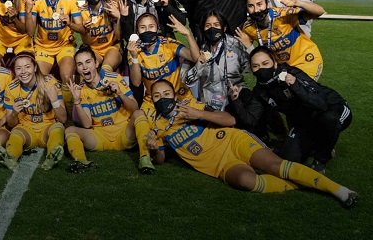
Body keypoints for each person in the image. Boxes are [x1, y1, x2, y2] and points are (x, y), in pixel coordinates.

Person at [147, 79, 358, 208]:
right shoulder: (157, 126)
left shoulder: (190, 105)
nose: (163, 98)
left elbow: (230, 121)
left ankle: (339, 190)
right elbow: (160, 159)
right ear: (153, 100)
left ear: (174, 94)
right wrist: (154, 149)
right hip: (220, 165)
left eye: (166, 94)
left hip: (233, 141)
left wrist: (198, 113)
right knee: (247, 181)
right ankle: (301, 181)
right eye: (157, 96)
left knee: (276, 166)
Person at [248, 47, 353, 174]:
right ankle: (320, 143)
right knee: (288, 159)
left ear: (275, 63)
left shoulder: (292, 73)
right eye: (256, 66)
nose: (261, 69)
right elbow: (253, 118)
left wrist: (295, 85)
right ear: (252, 69)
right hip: (306, 120)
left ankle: (321, 159)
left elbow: (320, 104)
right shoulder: (259, 92)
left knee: (329, 119)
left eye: (265, 63)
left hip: (333, 108)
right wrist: (236, 101)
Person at [126, 12, 201, 171]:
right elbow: (136, 82)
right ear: (137, 32)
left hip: (180, 97)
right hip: (152, 102)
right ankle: (145, 156)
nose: (147, 30)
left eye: (151, 26)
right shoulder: (134, 50)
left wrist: (187, 34)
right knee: (140, 119)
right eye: (143, 27)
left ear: (158, 28)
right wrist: (133, 57)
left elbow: (195, 58)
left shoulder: (168, 44)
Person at [63, 46, 141, 173]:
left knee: (139, 114)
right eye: (80, 64)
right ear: (77, 69)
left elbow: (135, 108)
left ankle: (145, 157)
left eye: (88, 62)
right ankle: (81, 161)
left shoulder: (114, 77)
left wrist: (120, 93)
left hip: (123, 133)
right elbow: (87, 124)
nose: (84, 67)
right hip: (100, 137)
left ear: (96, 63)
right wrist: (76, 101)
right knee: (70, 130)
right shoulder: (80, 89)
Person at [183, 12, 259, 133]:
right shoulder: (197, 48)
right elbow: (188, 80)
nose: (212, 28)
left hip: (236, 97)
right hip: (209, 100)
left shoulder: (235, 44)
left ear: (224, 28)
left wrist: (250, 48)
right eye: (208, 25)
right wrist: (199, 64)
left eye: (216, 25)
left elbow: (254, 69)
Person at [0, 52, 67, 171]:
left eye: (27, 67)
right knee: (16, 133)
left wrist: (54, 100)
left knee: (58, 128)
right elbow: (11, 124)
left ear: (35, 67)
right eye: (18, 68)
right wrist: (14, 113)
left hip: (47, 128)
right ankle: (9, 157)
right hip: (26, 130)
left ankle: (52, 154)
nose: (23, 72)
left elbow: (63, 119)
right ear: (15, 71)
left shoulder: (49, 83)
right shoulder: (12, 88)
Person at [237, 0, 324, 80]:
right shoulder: (248, 28)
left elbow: (319, 12)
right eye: (251, 6)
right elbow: (254, 58)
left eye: (259, 4)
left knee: (300, 91)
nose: (256, 10)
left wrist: (297, 2)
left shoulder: (283, 15)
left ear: (267, 3)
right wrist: (249, 47)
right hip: (282, 68)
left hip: (306, 61)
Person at [26, 0, 84, 83]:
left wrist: (70, 23)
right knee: (39, 80)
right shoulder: (36, 1)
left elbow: (82, 29)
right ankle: (52, 100)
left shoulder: (70, 0)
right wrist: (28, 10)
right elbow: (30, 32)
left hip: (65, 45)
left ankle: (69, 101)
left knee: (67, 77)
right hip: (43, 47)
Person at [79, 0, 122, 72]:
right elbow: (87, 42)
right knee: (88, 69)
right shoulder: (81, 12)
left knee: (105, 70)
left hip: (112, 47)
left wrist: (118, 17)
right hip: (93, 49)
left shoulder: (112, 6)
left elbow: (119, 36)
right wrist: (86, 30)